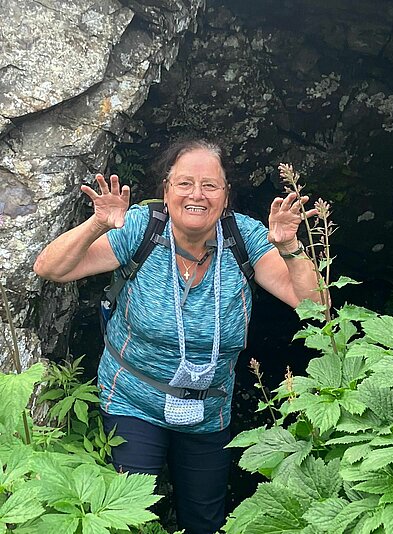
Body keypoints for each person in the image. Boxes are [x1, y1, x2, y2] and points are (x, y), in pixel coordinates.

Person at [34, 138, 320, 534]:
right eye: (184, 183)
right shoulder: (141, 229)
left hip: (209, 410)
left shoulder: (244, 238)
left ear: (225, 197)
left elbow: (313, 305)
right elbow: (50, 268)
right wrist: (98, 223)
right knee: (130, 521)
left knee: (205, 522)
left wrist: (289, 247)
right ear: (166, 191)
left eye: (210, 185)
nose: (196, 195)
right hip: (133, 400)